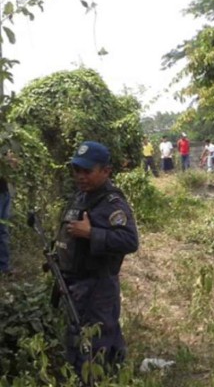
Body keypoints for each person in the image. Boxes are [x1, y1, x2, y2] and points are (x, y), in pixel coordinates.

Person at [56, 141, 138, 380]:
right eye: (77, 170)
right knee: (82, 338)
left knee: (95, 344)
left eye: (87, 171)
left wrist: (92, 234)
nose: (80, 176)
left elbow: (129, 240)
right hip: (76, 285)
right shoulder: (82, 196)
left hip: (97, 287)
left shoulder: (112, 203)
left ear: (106, 171)